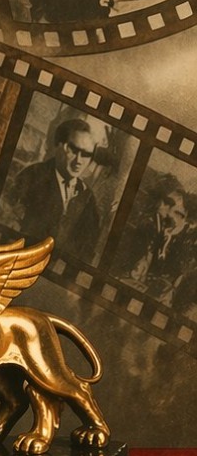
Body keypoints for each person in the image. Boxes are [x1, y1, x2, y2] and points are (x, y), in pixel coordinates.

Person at [10, 118, 102, 257]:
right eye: (73, 150)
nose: (79, 161)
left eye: (86, 155)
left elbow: (87, 248)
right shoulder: (32, 177)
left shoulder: (87, 197)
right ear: (58, 145)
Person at [116, 178, 197, 312]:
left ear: (189, 223)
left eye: (178, 214)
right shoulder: (150, 232)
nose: (169, 214)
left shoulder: (183, 251)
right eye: (169, 206)